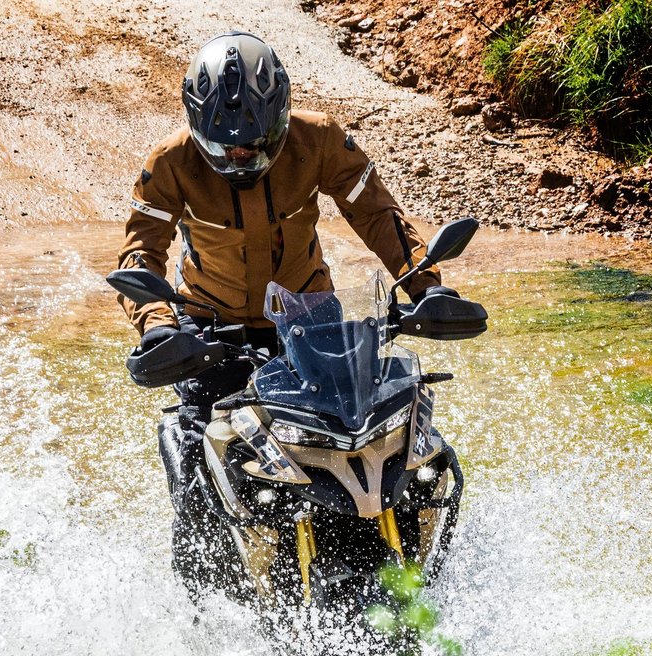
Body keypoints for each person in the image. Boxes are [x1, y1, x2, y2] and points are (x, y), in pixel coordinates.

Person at [116, 30, 454, 510]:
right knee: (198, 460)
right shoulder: (170, 163)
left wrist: (426, 287)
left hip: (312, 320)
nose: (240, 156)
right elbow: (141, 253)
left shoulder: (319, 138)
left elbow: (378, 215)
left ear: (281, 115)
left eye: (255, 143)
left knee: (387, 438)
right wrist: (158, 328)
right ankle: (203, 556)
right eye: (223, 146)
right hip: (209, 333)